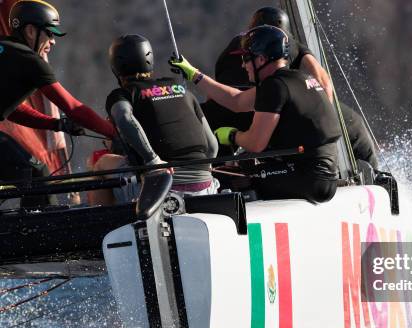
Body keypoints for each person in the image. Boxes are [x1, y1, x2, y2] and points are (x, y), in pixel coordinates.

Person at [170, 25, 340, 203]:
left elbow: (255, 143)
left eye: (246, 58)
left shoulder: (274, 87)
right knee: (245, 166)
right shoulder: (299, 78)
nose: (243, 65)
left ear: (261, 59)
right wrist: (194, 74)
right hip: (322, 175)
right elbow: (237, 101)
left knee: (234, 180)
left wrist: (232, 136)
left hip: (309, 178)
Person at [202, 6, 378, 169]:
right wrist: (322, 118)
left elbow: (216, 95)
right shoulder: (281, 41)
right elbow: (322, 80)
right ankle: (374, 177)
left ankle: (218, 172)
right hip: (261, 108)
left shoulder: (244, 44)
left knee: (352, 122)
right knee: (353, 122)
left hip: (244, 109)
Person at [89, 34, 219, 205]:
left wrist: (153, 160)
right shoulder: (180, 89)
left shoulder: (123, 95)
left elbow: (124, 117)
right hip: (205, 188)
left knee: (102, 164)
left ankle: (104, 226)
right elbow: (212, 147)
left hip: (161, 192)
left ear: (116, 68)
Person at [0, 0, 116, 138]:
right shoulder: (31, 61)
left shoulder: (5, 46)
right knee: (24, 160)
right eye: (49, 33)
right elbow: (74, 109)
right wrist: (115, 133)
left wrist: (56, 124)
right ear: (30, 31)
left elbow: (10, 108)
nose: (53, 41)